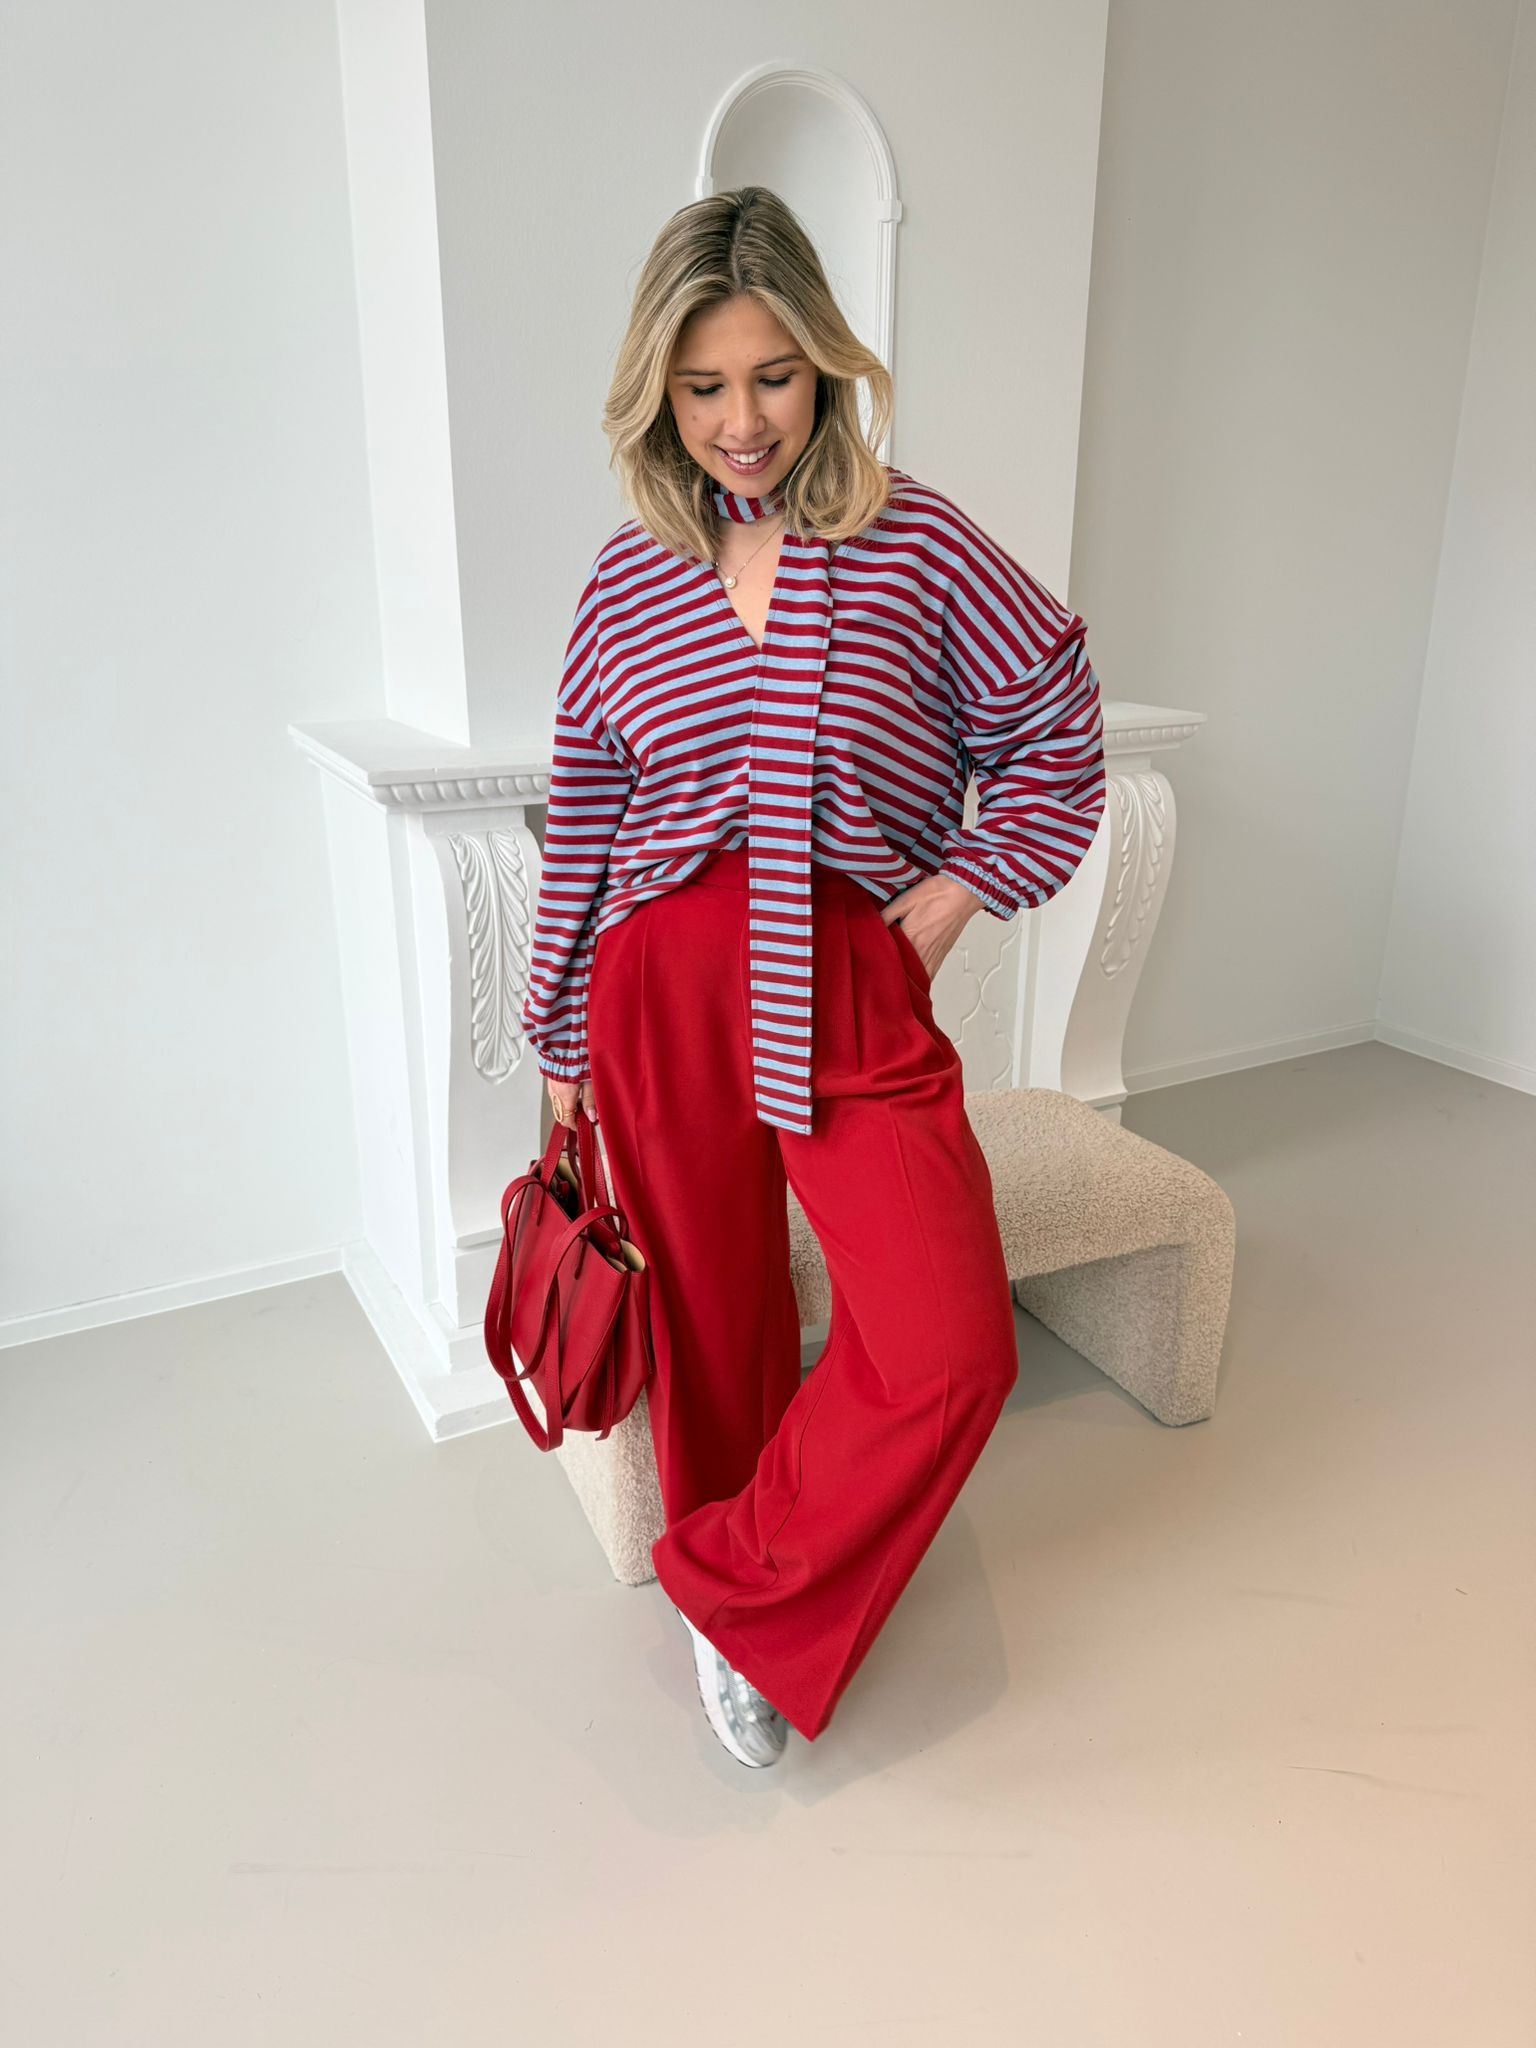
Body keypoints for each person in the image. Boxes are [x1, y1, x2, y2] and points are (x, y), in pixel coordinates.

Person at [519, 186, 1107, 1769]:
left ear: (828, 363)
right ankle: (744, 1622)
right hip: (657, 986)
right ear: (658, 392)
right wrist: (559, 1033)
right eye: (703, 386)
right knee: (714, 1319)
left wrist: (951, 900)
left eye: (772, 376)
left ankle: (739, 1583)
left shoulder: (918, 542)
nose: (741, 422)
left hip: (844, 967)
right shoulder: (628, 578)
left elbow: (1055, 730)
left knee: (949, 1343)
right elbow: (589, 814)